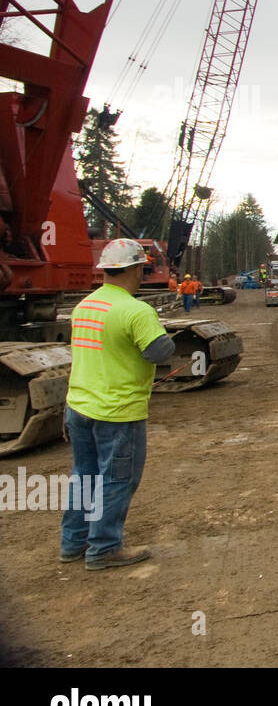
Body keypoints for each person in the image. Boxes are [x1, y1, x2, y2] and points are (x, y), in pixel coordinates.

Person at [61, 238, 174, 569]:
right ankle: (105, 547)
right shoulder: (136, 310)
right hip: (118, 411)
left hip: (79, 406)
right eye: (143, 269)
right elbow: (159, 351)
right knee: (117, 479)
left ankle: (73, 543)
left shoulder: (84, 306)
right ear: (137, 270)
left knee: (85, 476)